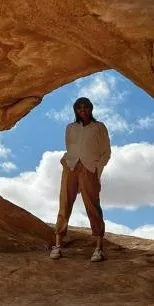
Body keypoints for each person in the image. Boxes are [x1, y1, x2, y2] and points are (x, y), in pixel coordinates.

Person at [50, 97, 111, 262]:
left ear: (91, 109)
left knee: (92, 205)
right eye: (79, 108)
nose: (82, 110)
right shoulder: (70, 128)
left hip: (89, 168)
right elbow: (69, 146)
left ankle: (98, 248)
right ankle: (58, 245)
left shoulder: (99, 127)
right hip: (70, 167)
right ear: (75, 110)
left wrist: (97, 169)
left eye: (85, 107)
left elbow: (106, 152)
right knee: (64, 203)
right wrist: (66, 161)